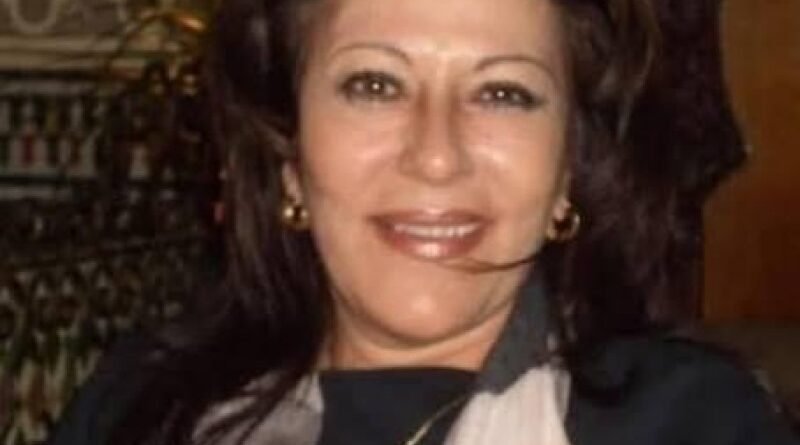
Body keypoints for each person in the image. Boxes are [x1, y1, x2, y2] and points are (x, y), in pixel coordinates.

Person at [49, 0, 799, 444]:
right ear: (290, 158)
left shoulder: (688, 422)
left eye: (503, 93)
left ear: (567, 172)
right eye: (375, 85)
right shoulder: (141, 404)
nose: (436, 155)